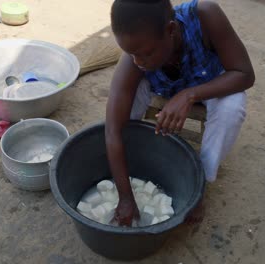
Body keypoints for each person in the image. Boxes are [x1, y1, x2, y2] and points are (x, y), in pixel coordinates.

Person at [105, 0, 255, 226]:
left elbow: (245, 74)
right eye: (130, 53)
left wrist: (189, 95)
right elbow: (112, 129)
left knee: (232, 107)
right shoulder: (136, 57)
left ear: (171, 30)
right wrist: (125, 197)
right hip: (164, 87)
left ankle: (200, 182)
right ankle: (131, 159)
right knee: (126, 98)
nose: (138, 61)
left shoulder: (205, 16)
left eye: (145, 53)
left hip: (211, 84)